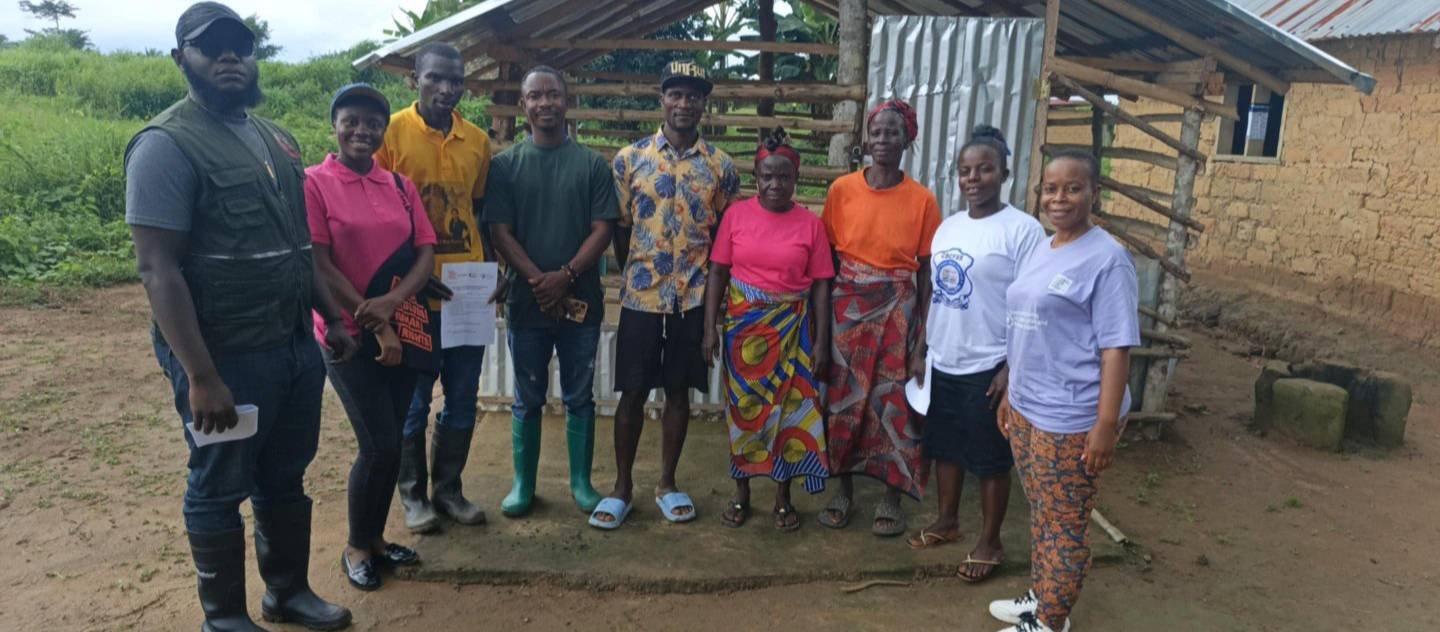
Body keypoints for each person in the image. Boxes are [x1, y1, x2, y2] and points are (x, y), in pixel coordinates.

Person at [125, 3, 354, 630]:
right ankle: (224, 618)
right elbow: (158, 271)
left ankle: (287, 593)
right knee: (220, 481)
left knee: (285, 473)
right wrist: (200, 376)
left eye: (240, 45)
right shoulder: (164, 146)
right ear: (182, 59)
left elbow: (299, 246)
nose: (229, 57)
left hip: (290, 348)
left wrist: (330, 319)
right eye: (211, 46)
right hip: (224, 355)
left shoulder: (276, 138)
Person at [986, 150, 1139, 632]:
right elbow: (1024, 324)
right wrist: (1012, 388)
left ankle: (1051, 620)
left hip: (1072, 416)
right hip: (1030, 408)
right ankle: (1043, 594)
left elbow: (1116, 349)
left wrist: (1105, 426)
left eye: (1073, 188)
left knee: (1066, 522)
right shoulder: (1043, 246)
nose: (1059, 197)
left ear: (1095, 192)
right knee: (1043, 512)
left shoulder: (1108, 259)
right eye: (1051, 188)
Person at [593, 61, 740, 529]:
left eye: (693, 97)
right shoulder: (629, 159)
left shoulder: (720, 166)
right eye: (675, 94)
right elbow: (621, 229)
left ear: (703, 104)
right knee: (632, 392)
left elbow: (725, 236)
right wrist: (636, 271)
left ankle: (667, 483)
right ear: (662, 99)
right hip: (640, 298)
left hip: (692, 299)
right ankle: (621, 488)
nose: (684, 104)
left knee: (678, 392)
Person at [306, 84, 434, 591]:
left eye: (372, 123)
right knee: (379, 444)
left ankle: (377, 540)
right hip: (346, 336)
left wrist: (393, 309)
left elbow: (425, 252)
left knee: (393, 437)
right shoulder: (314, 184)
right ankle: (357, 545)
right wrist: (375, 320)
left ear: (385, 130)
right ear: (335, 124)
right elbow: (319, 261)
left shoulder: (400, 186)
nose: (362, 130)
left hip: (404, 328)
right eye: (351, 120)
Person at [906, 126, 1044, 584]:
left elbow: (1033, 306)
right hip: (945, 358)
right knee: (945, 448)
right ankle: (947, 521)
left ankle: (991, 540)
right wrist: (923, 346)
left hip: (990, 364)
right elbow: (938, 295)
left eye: (984, 169)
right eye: (966, 170)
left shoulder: (1023, 231)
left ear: (1003, 171)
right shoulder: (950, 227)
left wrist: (1011, 367)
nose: (974, 178)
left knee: (989, 457)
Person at [482, 67, 618, 518]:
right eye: (535, 96)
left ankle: (581, 482)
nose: (545, 103)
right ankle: (524, 484)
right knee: (528, 395)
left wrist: (566, 274)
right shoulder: (505, 166)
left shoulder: (592, 165)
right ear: (523, 106)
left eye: (553, 94)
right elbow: (499, 231)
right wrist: (540, 281)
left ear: (567, 100)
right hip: (527, 303)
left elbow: (603, 228)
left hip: (582, 302)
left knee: (580, 393)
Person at [375, 42, 493, 532]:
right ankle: (413, 497)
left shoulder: (478, 141)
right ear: (414, 80)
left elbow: (479, 210)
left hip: (468, 291)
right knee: (415, 400)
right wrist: (408, 282)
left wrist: (493, 268)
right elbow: (377, 213)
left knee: (464, 396)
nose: (446, 89)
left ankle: (449, 491)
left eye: (456, 81)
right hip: (413, 294)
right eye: (435, 79)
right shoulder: (391, 133)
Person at [818, 98, 941, 538]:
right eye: (877, 131)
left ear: (908, 138)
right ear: (866, 139)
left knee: (894, 402)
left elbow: (927, 274)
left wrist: (922, 337)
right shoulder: (841, 191)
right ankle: (843, 490)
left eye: (893, 131)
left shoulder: (923, 200)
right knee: (843, 399)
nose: (884, 139)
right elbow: (827, 259)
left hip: (898, 310)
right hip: (846, 308)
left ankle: (891, 496)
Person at [702, 129, 834, 532]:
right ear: (755, 177)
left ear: (796, 178)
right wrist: (710, 329)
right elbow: (718, 273)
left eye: (783, 177)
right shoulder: (736, 216)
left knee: (790, 415)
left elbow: (822, 286)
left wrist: (823, 343)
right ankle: (741, 493)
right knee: (745, 414)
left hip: (794, 332)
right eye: (766, 176)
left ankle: (782, 497)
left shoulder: (811, 225)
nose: (774, 184)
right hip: (744, 334)